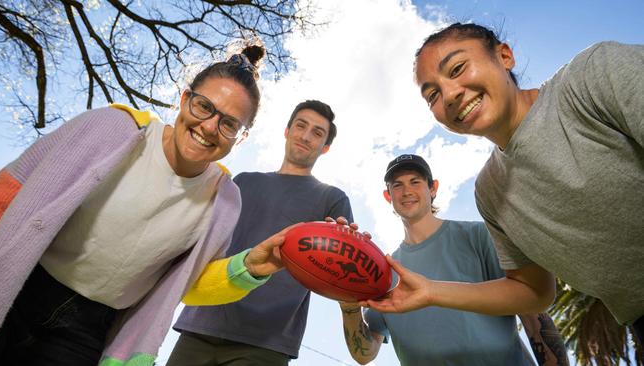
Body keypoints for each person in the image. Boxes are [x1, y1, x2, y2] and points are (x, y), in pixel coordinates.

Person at [0, 45, 290, 366]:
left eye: (229, 124)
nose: (208, 127)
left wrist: (250, 268)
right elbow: (12, 190)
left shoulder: (224, 202)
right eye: (204, 106)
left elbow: (187, 286)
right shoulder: (113, 129)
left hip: (86, 329)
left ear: (240, 138)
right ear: (184, 99)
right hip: (18, 284)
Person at [364, 23, 644, 341]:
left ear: (504, 56)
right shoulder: (490, 192)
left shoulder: (591, 77)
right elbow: (532, 290)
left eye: (457, 68)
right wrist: (430, 291)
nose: (451, 94)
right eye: (433, 95)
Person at [166, 100, 353, 365]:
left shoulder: (331, 198)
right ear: (287, 131)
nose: (306, 136)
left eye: (317, 132)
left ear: (325, 148)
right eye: (301, 126)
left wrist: (348, 250)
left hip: (266, 341)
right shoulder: (243, 181)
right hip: (202, 322)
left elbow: (340, 268)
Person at [340, 154, 568, 366]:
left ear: (433, 188)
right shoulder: (385, 271)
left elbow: (533, 312)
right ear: (388, 196)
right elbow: (365, 353)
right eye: (397, 185)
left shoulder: (479, 237)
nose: (406, 191)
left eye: (415, 181)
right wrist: (348, 304)